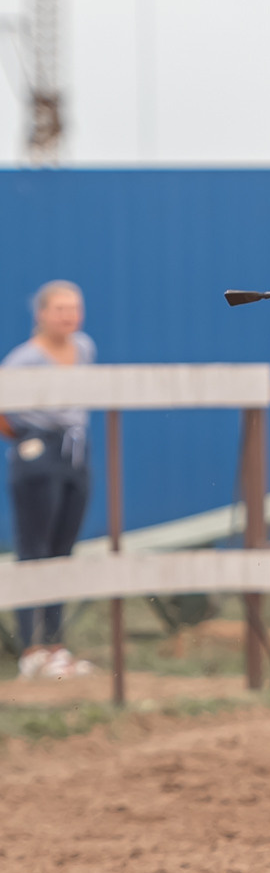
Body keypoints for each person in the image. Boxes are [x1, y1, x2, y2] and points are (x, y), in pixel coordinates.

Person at [0, 281, 96, 679]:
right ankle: (31, 648)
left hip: (76, 453)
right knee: (33, 548)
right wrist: (29, 440)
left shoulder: (85, 348)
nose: (68, 315)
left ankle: (56, 644)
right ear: (41, 314)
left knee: (62, 549)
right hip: (39, 453)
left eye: (74, 307)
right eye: (59, 308)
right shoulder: (25, 359)